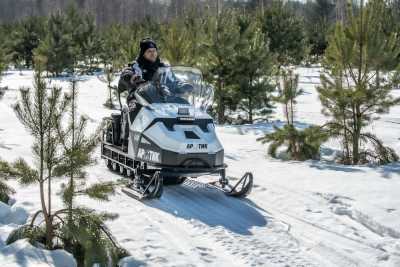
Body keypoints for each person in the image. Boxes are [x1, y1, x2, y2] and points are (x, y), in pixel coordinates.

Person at [117, 38, 167, 152]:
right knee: (135, 108)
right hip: (139, 97)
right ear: (143, 53)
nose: (153, 53)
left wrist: (183, 84)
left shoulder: (162, 66)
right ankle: (127, 140)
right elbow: (126, 73)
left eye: (154, 50)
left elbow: (173, 79)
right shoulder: (136, 66)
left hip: (160, 99)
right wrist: (132, 78)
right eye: (149, 51)